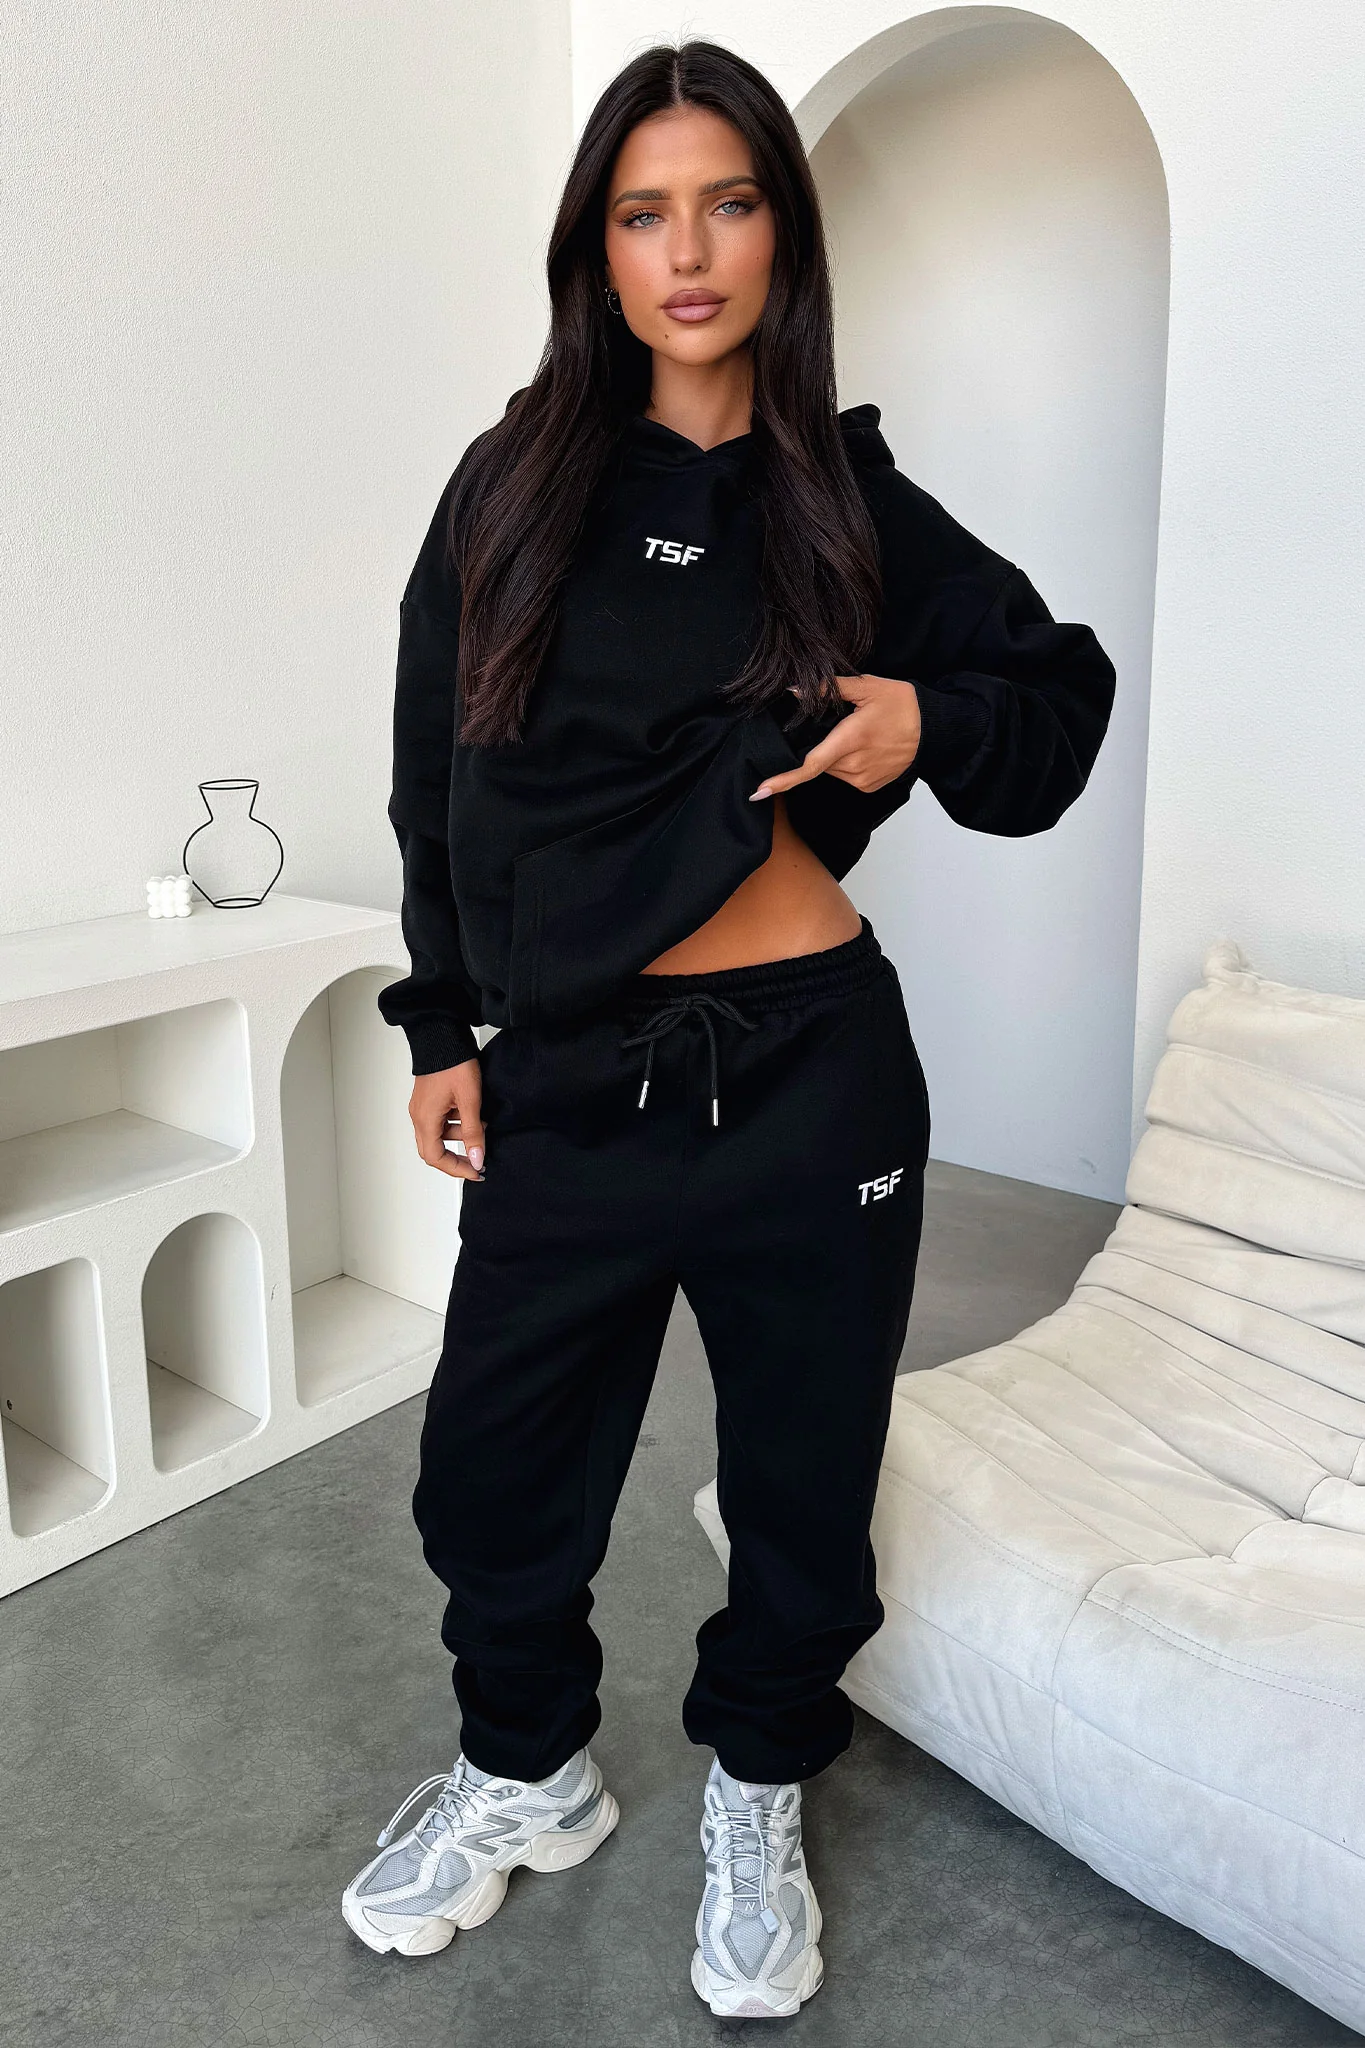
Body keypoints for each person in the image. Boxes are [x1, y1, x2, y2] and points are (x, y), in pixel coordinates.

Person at [342, 38, 1116, 2021]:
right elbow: (435, 774)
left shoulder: (847, 500)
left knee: (801, 1474)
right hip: (569, 1070)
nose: (688, 252)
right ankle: (527, 1769)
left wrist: (925, 719)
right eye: (644, 211)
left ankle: (760, 1784)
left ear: (784, 230)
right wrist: (442, 1023)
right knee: (494, 1472)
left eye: (729, 201)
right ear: (595, 247)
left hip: (808, 1076)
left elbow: (1053, 701)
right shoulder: (511, 487)